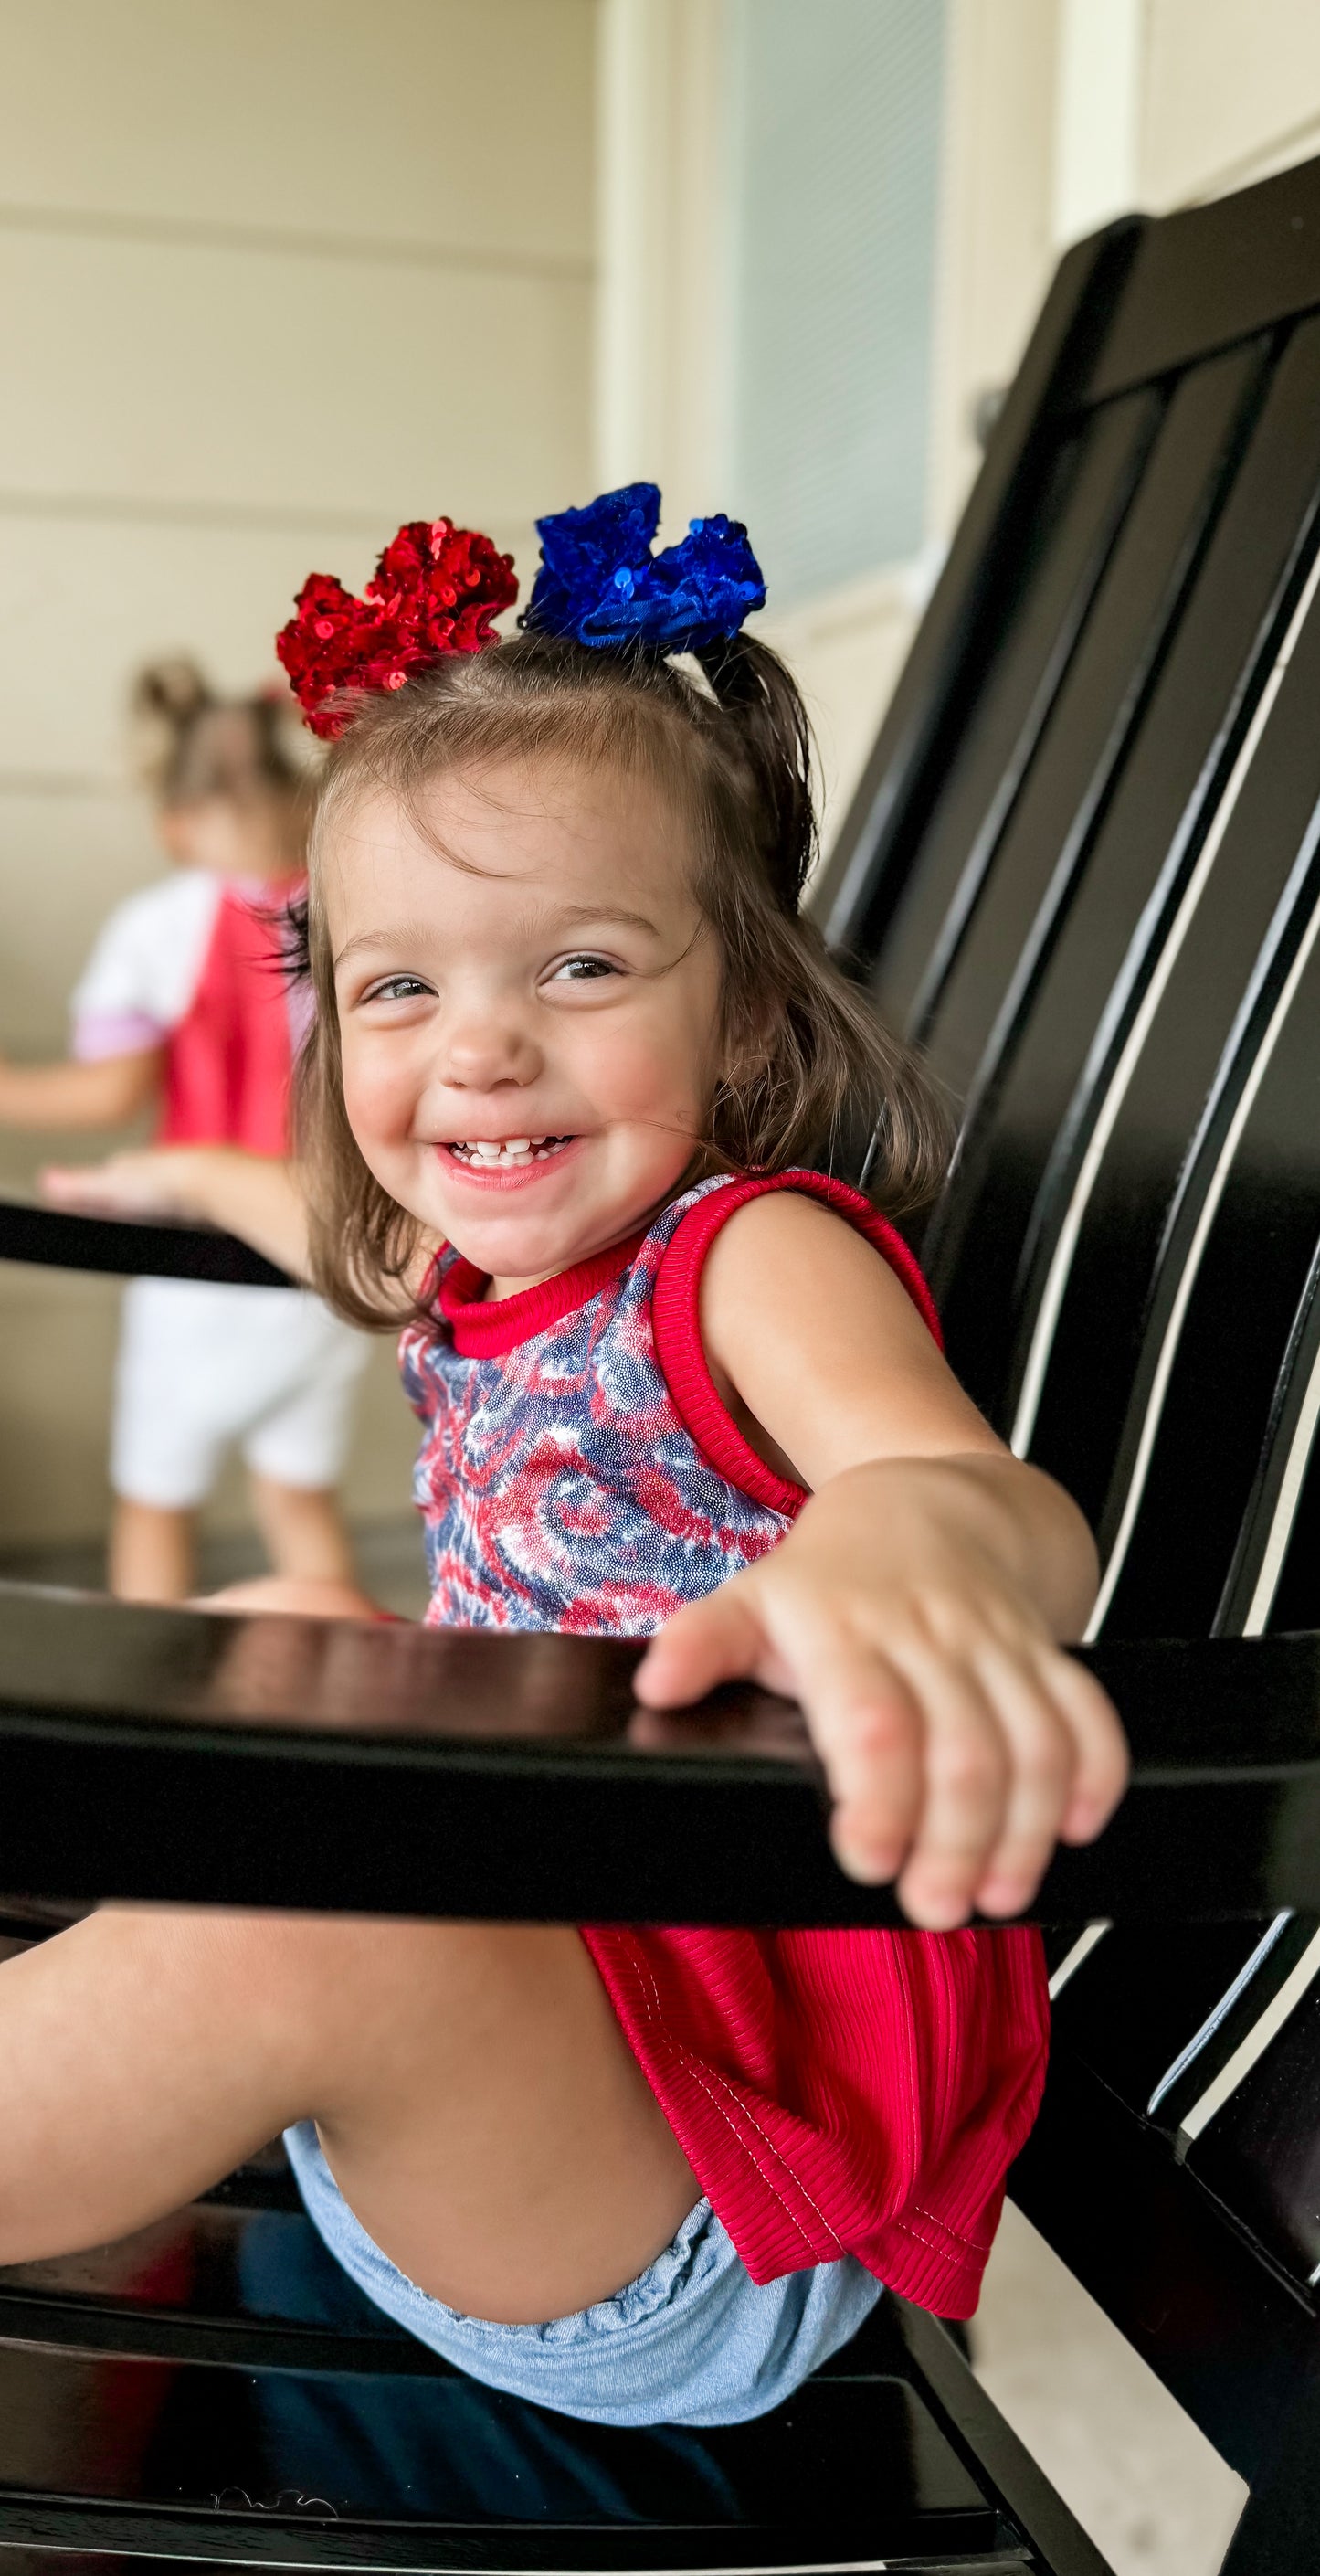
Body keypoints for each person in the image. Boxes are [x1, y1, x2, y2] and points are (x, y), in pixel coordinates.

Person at [27, 493, 1128, 2430]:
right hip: (543, 2060)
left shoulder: (742, 1254)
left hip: (716, 2179)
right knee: (279, 1617)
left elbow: (987, 1501)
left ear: (744, 1001)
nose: (479, 1051)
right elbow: (328, 1235)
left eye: (580, 969)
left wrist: (903, 1548)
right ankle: (130, 2026)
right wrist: (186, 1176)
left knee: (300, 1896)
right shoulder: (484, 1265)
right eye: (399, 987)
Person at [0, 660, 368, 1601]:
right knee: (298, 1496)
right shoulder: (352, 918)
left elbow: (106, 1095)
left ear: (174, 820)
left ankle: (137, 1713)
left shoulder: (156, 927)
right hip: (327, 1251)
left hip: (193, 1261)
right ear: (307, 801)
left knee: (157, 1499)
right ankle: (340, 1696)